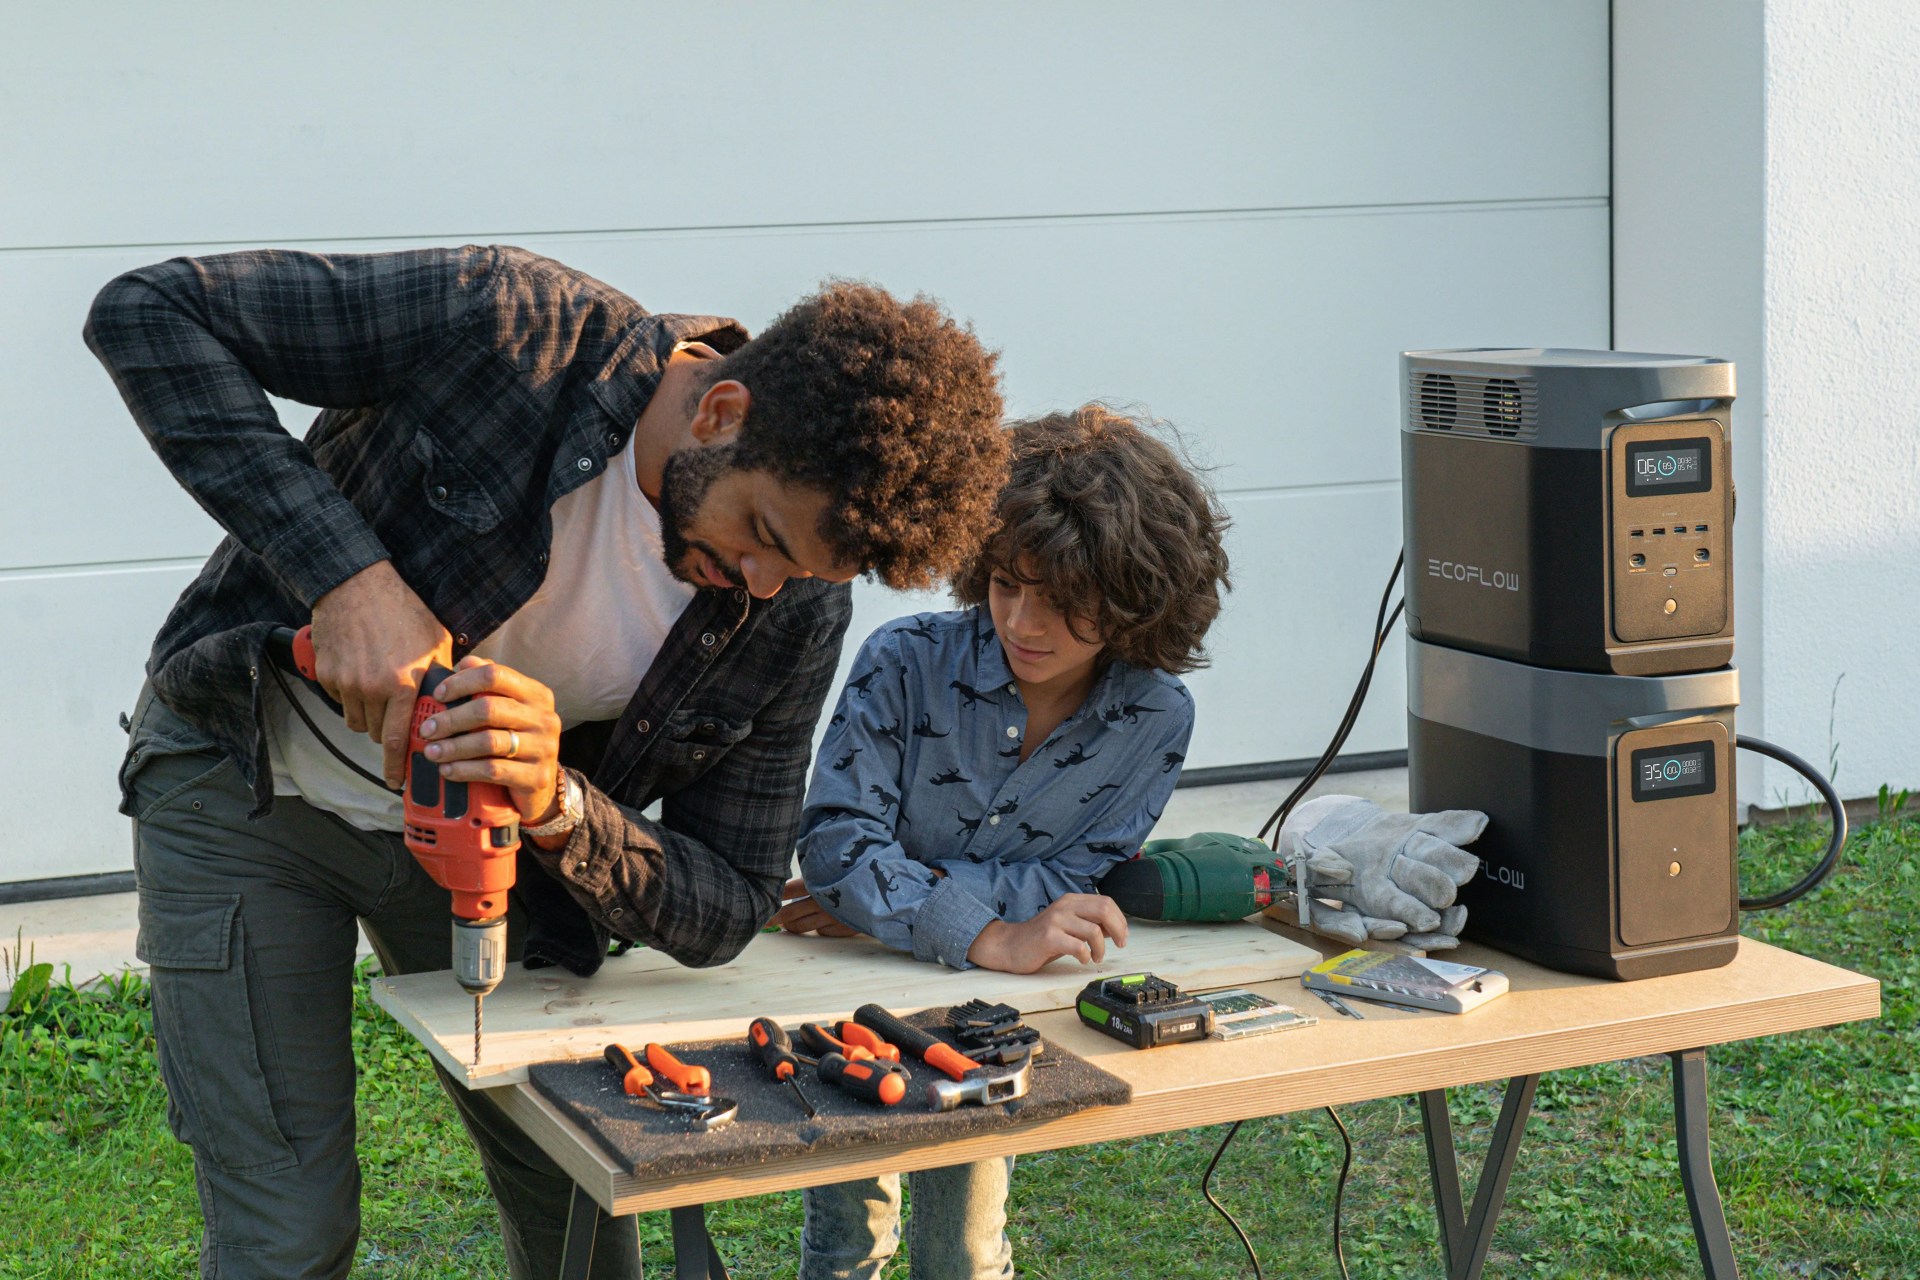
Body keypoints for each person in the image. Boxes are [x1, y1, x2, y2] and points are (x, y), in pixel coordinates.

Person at [83, 244, 1009, 1280]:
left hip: (474, 852)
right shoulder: (513, 325)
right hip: (249, 775)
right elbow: (147, 313)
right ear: (720, 410)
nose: (758, 582)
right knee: (286, 1235)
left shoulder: (791, 603)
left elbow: (729, 895)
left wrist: (561, 803)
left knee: (584, 1224)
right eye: (760, 533)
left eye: (794, 567)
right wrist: (349, 578)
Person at [773, 404, 1232, 1280]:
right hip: (848, 998)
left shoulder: (1156, 716)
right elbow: (834, 843)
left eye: (1065, 602)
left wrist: (893, 901)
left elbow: (1081, 876)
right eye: (1006, 582)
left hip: (985, 1014)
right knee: (846, 1247)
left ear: (1139, 596)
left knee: (968, 1252)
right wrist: (991, 929)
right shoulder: (902, 660)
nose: (1023, 622)